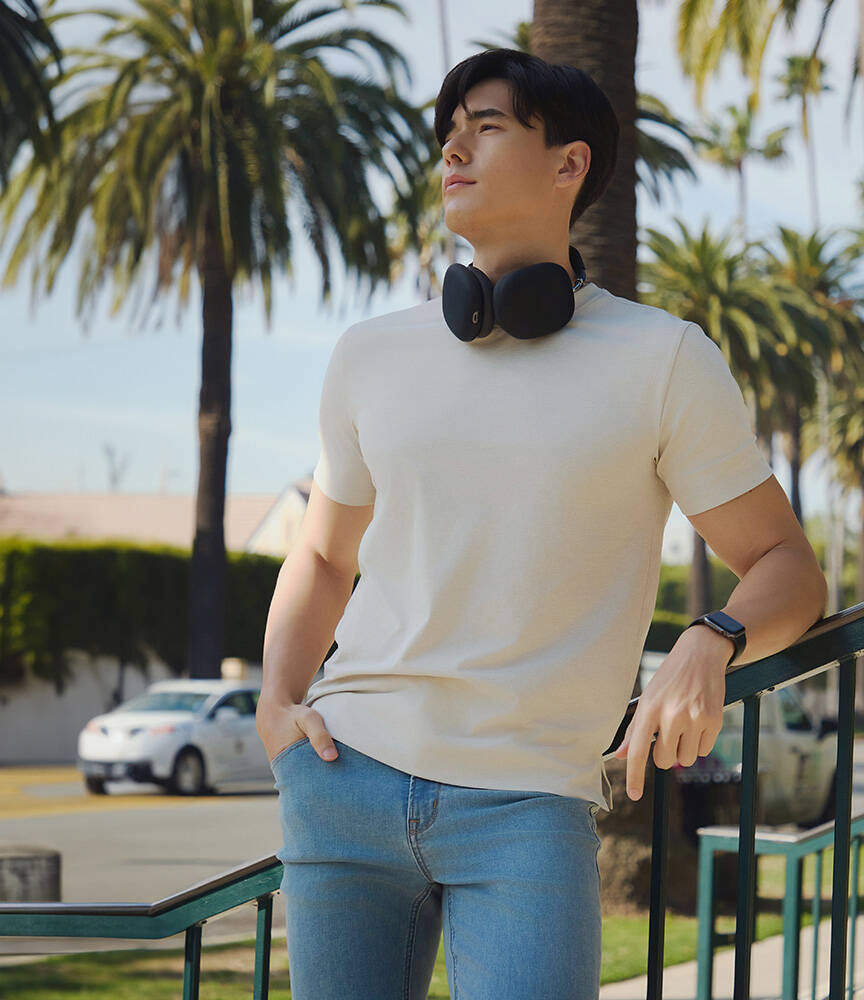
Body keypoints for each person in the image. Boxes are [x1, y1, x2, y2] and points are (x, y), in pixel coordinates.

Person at [255, 47, 827, 1000]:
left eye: (486, 128)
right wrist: (277, 704)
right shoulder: (370, 354)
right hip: (343, 782)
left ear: (570, 164)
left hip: (528, 805)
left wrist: (712, 638)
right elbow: (320, 552)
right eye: (449, 133)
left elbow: (788, 567)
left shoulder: (662, 359)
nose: (453, 150)